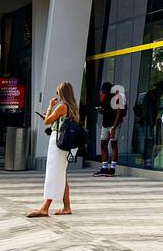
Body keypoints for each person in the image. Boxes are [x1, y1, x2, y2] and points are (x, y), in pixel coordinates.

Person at [28, 81, 80, 218]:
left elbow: (47, 121)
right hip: (65, 144)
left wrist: (50, 106)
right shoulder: (72, 106)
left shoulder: (62, 106)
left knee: (53, 173)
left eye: (57, 92)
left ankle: (45, 208)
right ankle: (67, 207)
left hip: (58, 143)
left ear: (62, 93)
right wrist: (51, 115)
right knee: (61, 174)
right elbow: (55, 120)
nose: (57, 95)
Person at [92, 81, 126, 177]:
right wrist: (100, 110)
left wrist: (114, 128)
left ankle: (112, 169)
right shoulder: (105, 97)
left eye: (105, 91)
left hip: (114, 124)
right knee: (103, 144)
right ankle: (104, 167)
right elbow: (106, 110)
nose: (104, 93)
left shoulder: (117, 97)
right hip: (105, 123)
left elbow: (119, 113)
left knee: (113, 144)